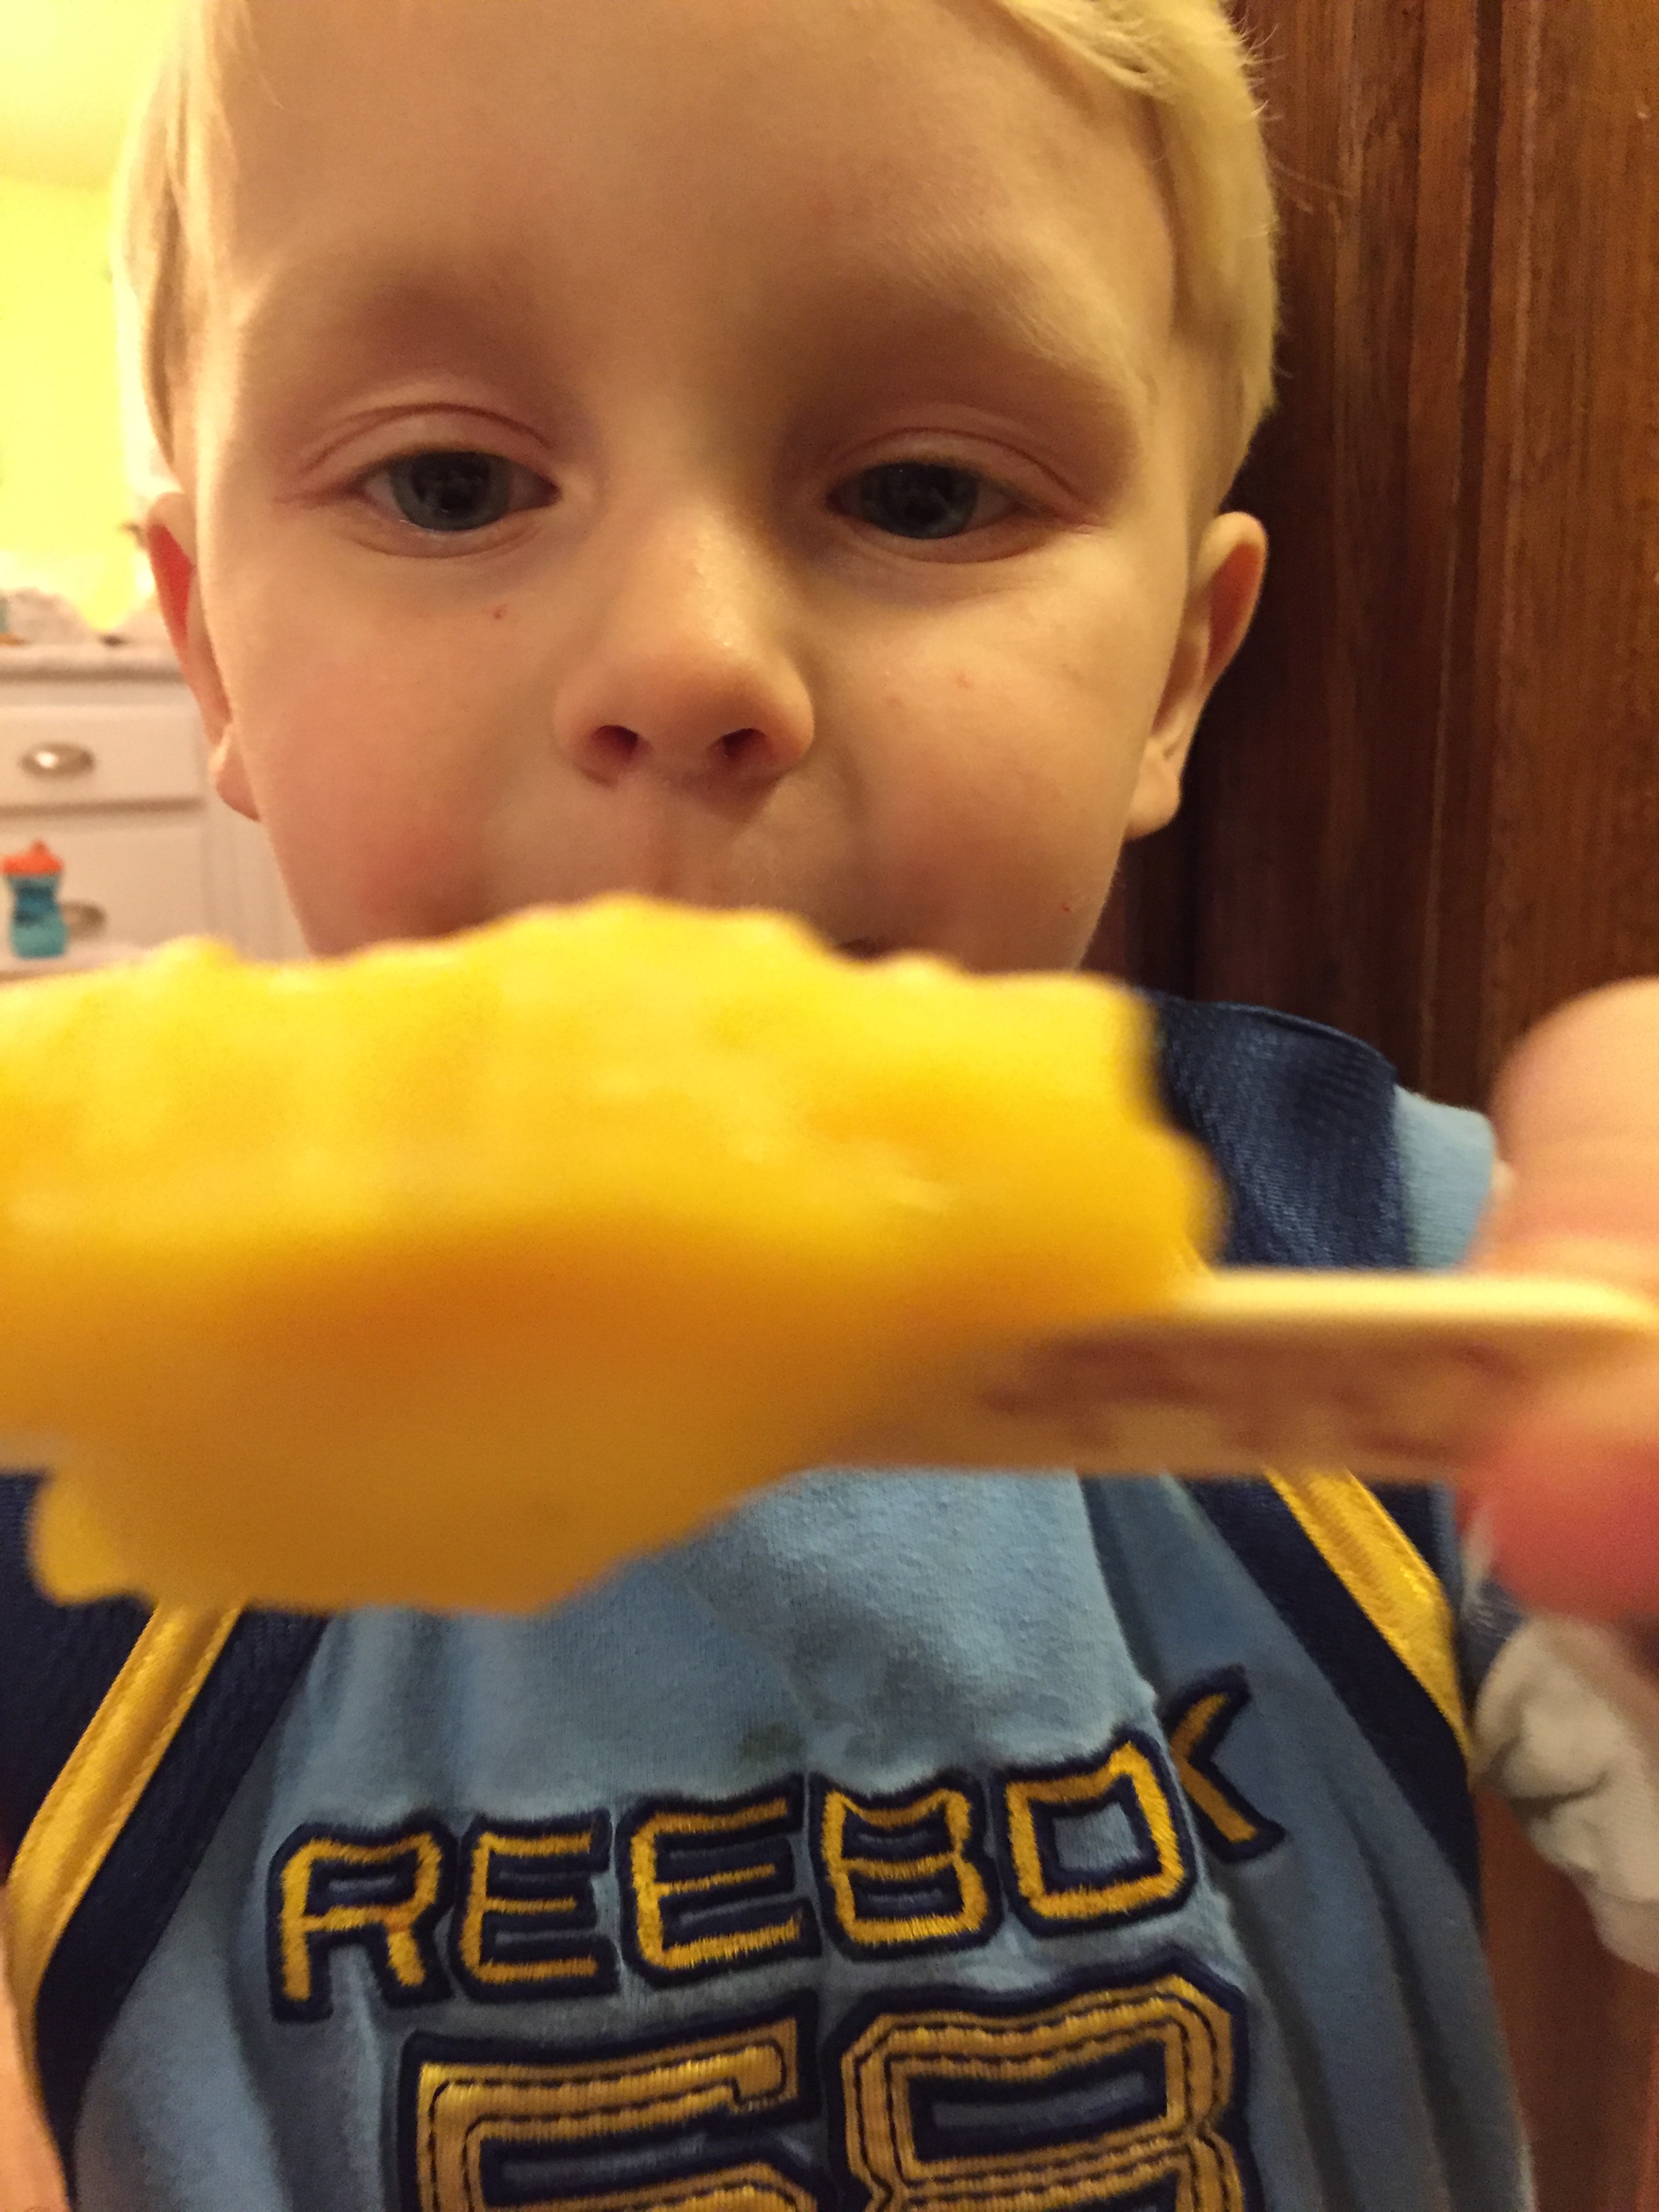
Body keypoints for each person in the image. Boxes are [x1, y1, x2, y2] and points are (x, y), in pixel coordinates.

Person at [3, 0, 1658, 2204]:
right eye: (451, 484)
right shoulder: (61, 1454)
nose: (689, 659)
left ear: (1175, 676)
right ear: (210, 648)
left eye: (921, 494)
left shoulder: (1394, 1271)